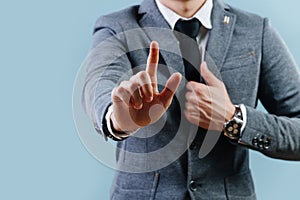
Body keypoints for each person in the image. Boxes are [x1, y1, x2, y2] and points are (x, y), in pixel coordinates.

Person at [82, 0, 300, 199]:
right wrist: (118, 120)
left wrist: (234, 120)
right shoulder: (117, 27)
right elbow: (99, 84)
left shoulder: (256, 30)